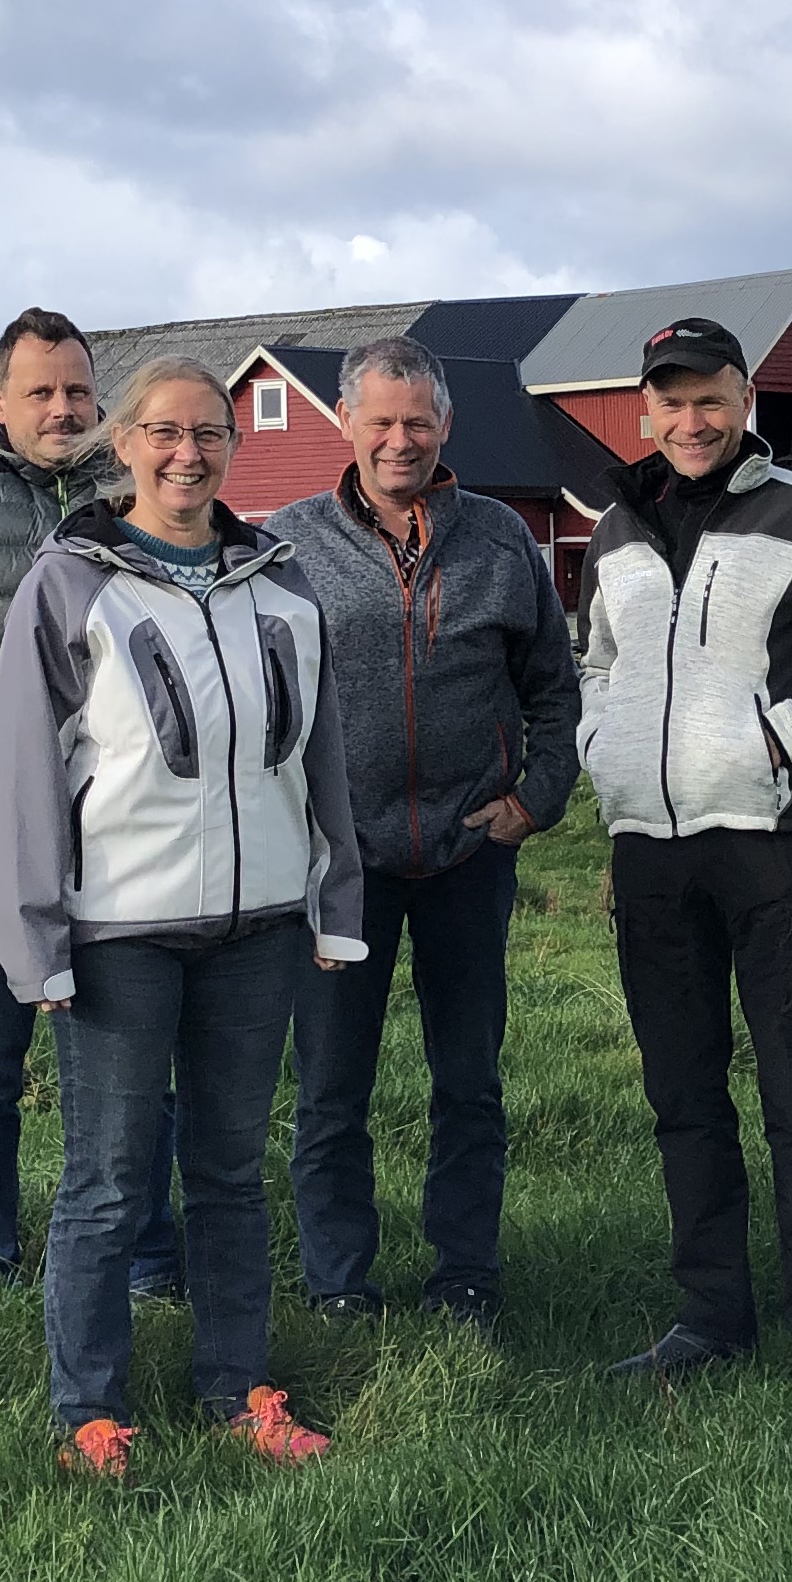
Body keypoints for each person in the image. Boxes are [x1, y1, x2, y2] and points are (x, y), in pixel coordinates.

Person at [0, 355, 365, 1479]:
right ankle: (86, 1411)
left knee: (233, 1170)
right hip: (121, 933)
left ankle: (236, 1385)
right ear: (122, 444)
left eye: (207, 433)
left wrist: (332, 907)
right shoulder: (68, 584)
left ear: (233, 448)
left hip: (259, 930)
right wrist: (34, 939)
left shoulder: (284, 588)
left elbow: (323, 757)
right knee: (106, 1176)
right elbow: (22, 779)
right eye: (162, 433)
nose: (186, 453)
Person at [579, 316, 792, 1386]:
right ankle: (710, 1318)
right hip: (650, 847)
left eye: (711, 399)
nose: (692, 421)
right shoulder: (616, 526)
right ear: (645, 412)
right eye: (671, 403)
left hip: (774, 846)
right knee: (683, 1097)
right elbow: (592, 660)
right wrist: (603, 743)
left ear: (747, 401)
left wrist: (784, 730)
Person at [270, 337, 582, 1326]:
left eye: (417, 421)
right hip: (338, 867)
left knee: (468, 1082)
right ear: (346, 423)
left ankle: (464, 1275)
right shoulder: (288, 544)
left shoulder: (500, 542)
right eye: (380, 420)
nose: (398, 439)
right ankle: (338, 1283)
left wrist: (536, 798)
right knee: (329, 1092)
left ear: (445, 426)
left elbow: (555, 692)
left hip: (464, 855)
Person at [0, 309, 183, 1304]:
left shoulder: (128, 485)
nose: (63, 409)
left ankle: (146, 1259)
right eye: (41, 392)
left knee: (135, 1046)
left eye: (77, 391)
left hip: (121, 816)